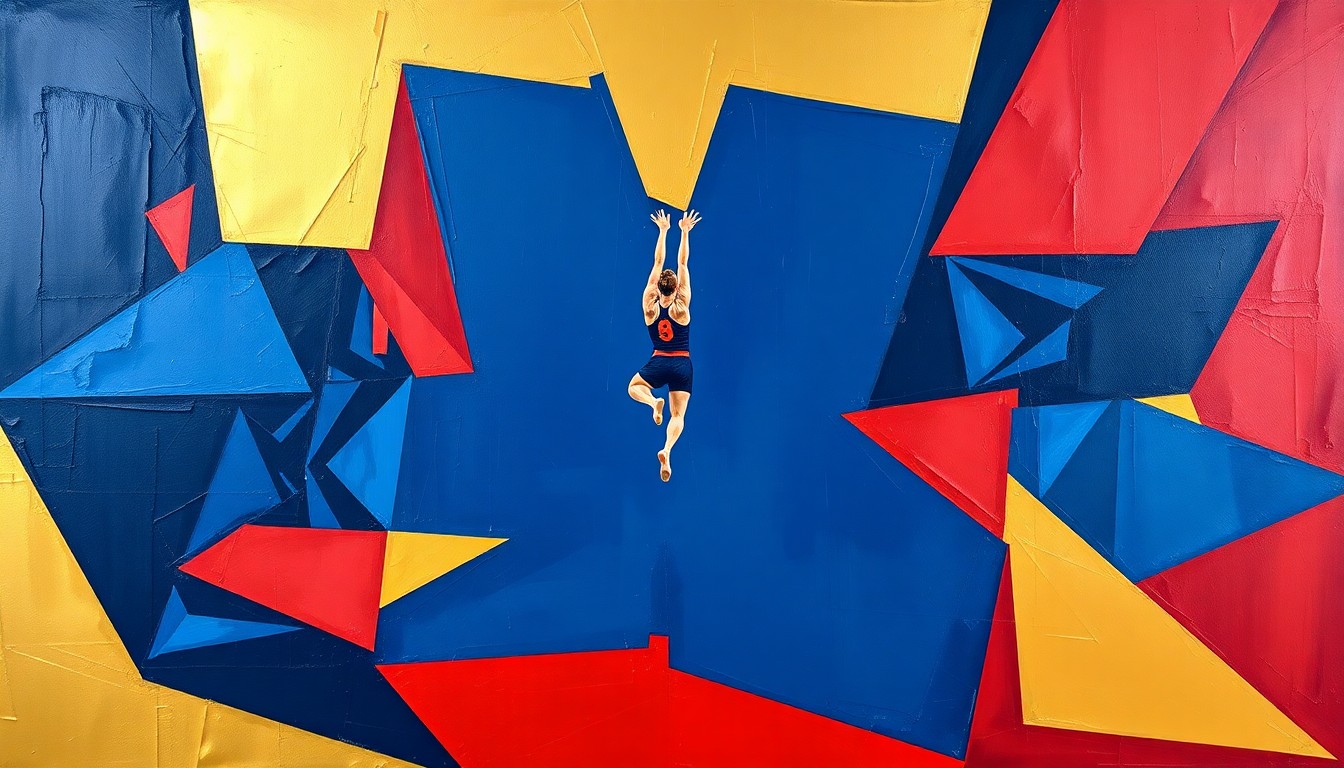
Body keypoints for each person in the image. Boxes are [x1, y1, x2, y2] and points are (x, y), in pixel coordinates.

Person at [628, 209, 701, 482]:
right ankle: (667, 450)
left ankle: (652, 402)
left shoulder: (649, 304)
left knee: (634, 387)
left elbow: (658, 261)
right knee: (678, 415)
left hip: (659, 359)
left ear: (659, 288)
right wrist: (685, 231)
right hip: (682, 363)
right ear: (675, 289)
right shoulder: (682, 306)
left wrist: (663, 230)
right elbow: (682, 264)